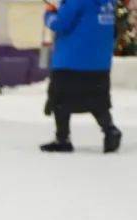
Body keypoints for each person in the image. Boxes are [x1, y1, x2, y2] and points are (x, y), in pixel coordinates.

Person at [41, 0, 122, 152]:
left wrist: (49, 13)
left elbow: (60, 24)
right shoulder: (109, 3)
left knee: (59, 99)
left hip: (71, 60)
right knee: (97, 100)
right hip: (99, 63)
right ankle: (110, 130)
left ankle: (62, 139)